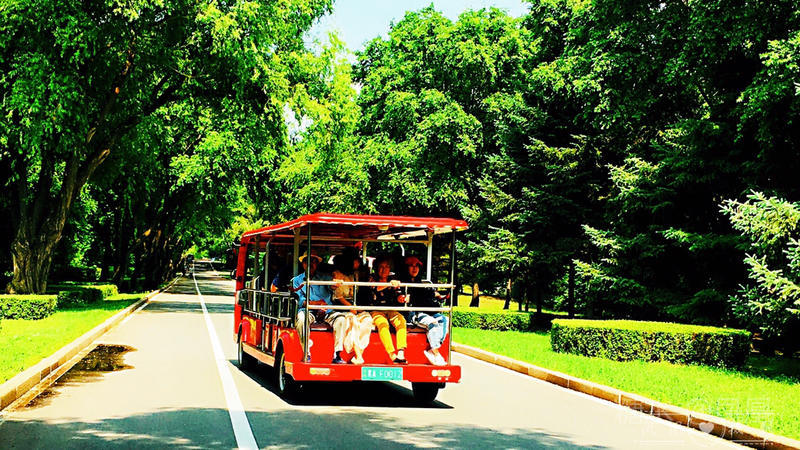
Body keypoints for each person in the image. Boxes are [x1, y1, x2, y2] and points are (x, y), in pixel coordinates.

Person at [292, 251, 348, 364]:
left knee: (341, 319)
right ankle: (306, 352)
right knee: (301, 319)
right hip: (308, 310)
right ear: (303, 264)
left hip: (327, 311)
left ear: (317, 264)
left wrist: (335, 284)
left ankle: (337, 354)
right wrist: (316, 304)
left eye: (314, 261)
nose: (310, 264)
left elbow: (332, 285)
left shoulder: (325, 277)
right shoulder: (296, 280)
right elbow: (300, 301)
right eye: (307, 261)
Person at [357, 257, 407, 364]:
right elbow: (374, 289)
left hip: (391, 309)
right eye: (381, 267)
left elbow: (398, 295)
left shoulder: (393, 278)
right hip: (375, 310)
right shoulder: (371, 278)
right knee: (383, 324)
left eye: (387, 267)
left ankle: (401, 351)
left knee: (401, 320)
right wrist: (389, 284)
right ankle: (392, 354)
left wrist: (401, 298)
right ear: (376, 268)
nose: (384, 270)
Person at [401, 256, 448, 366]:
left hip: (423, 311)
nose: (414, 268)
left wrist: (436, 295)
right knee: (433, 323)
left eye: (417, 266)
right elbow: (407, 299)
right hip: (411, 313)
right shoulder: (401, 282)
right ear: (406, 267)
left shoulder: (420, 282)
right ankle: (435, 353)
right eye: (411, 265)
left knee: (444, 319)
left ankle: (434, 347)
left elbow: (422, 298)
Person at [332, 254, 373, 365]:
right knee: (352, 321)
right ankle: (359, 355)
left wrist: (357, 308)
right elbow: (338, 296)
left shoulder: (356, 275)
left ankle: (358, 354)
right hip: (342, 308)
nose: (357, 264)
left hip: (354, 306)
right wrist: (350, 307)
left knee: (368, 320)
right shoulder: (338, 274)